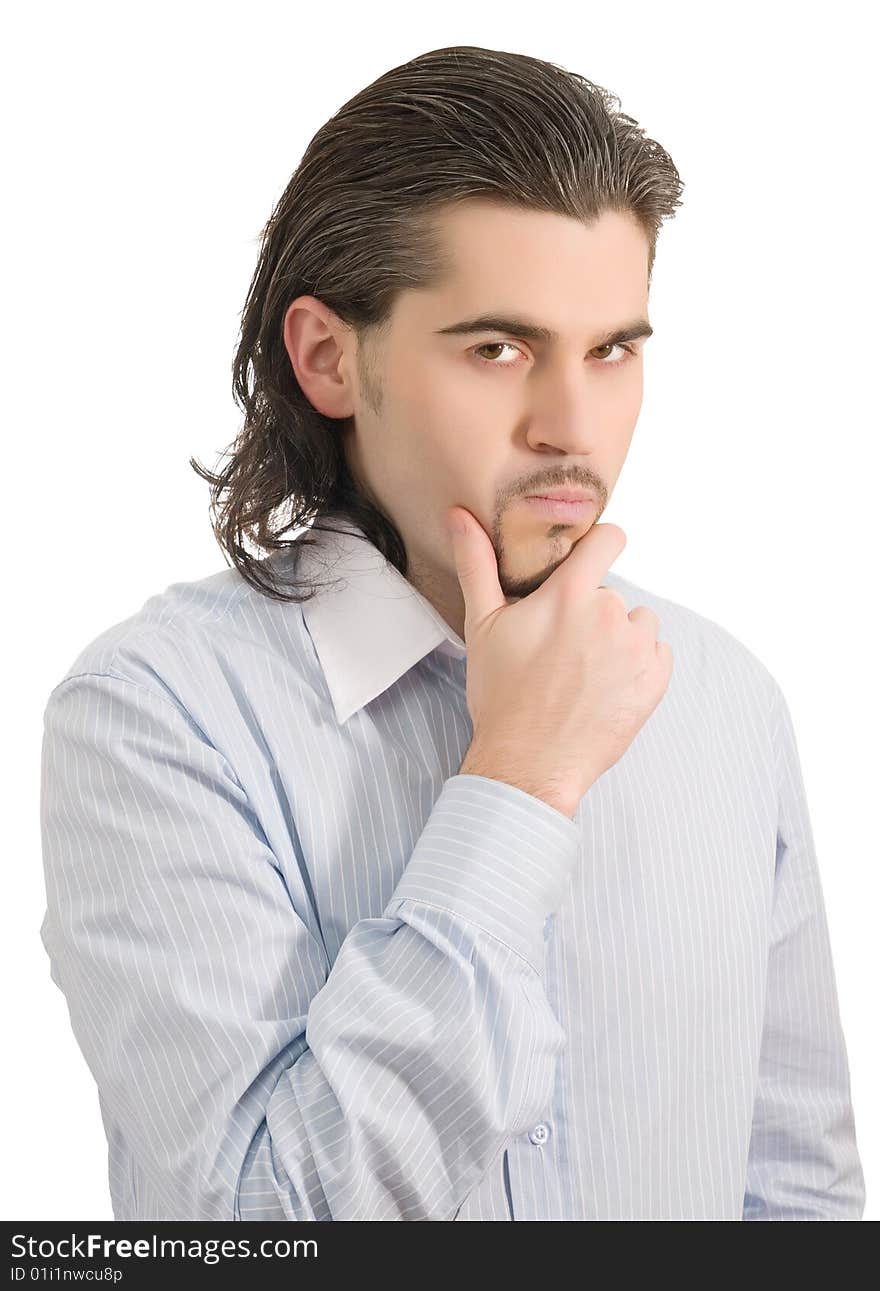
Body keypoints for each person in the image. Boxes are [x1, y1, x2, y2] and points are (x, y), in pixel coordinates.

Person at [38, 44, 865, 1221]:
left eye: (612, 350)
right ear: (328, 357)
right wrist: (519, 786)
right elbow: (244, 1234)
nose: (571, 427)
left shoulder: (723, 696)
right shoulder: (158, 714)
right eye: (498, 348)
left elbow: (799, 1196)